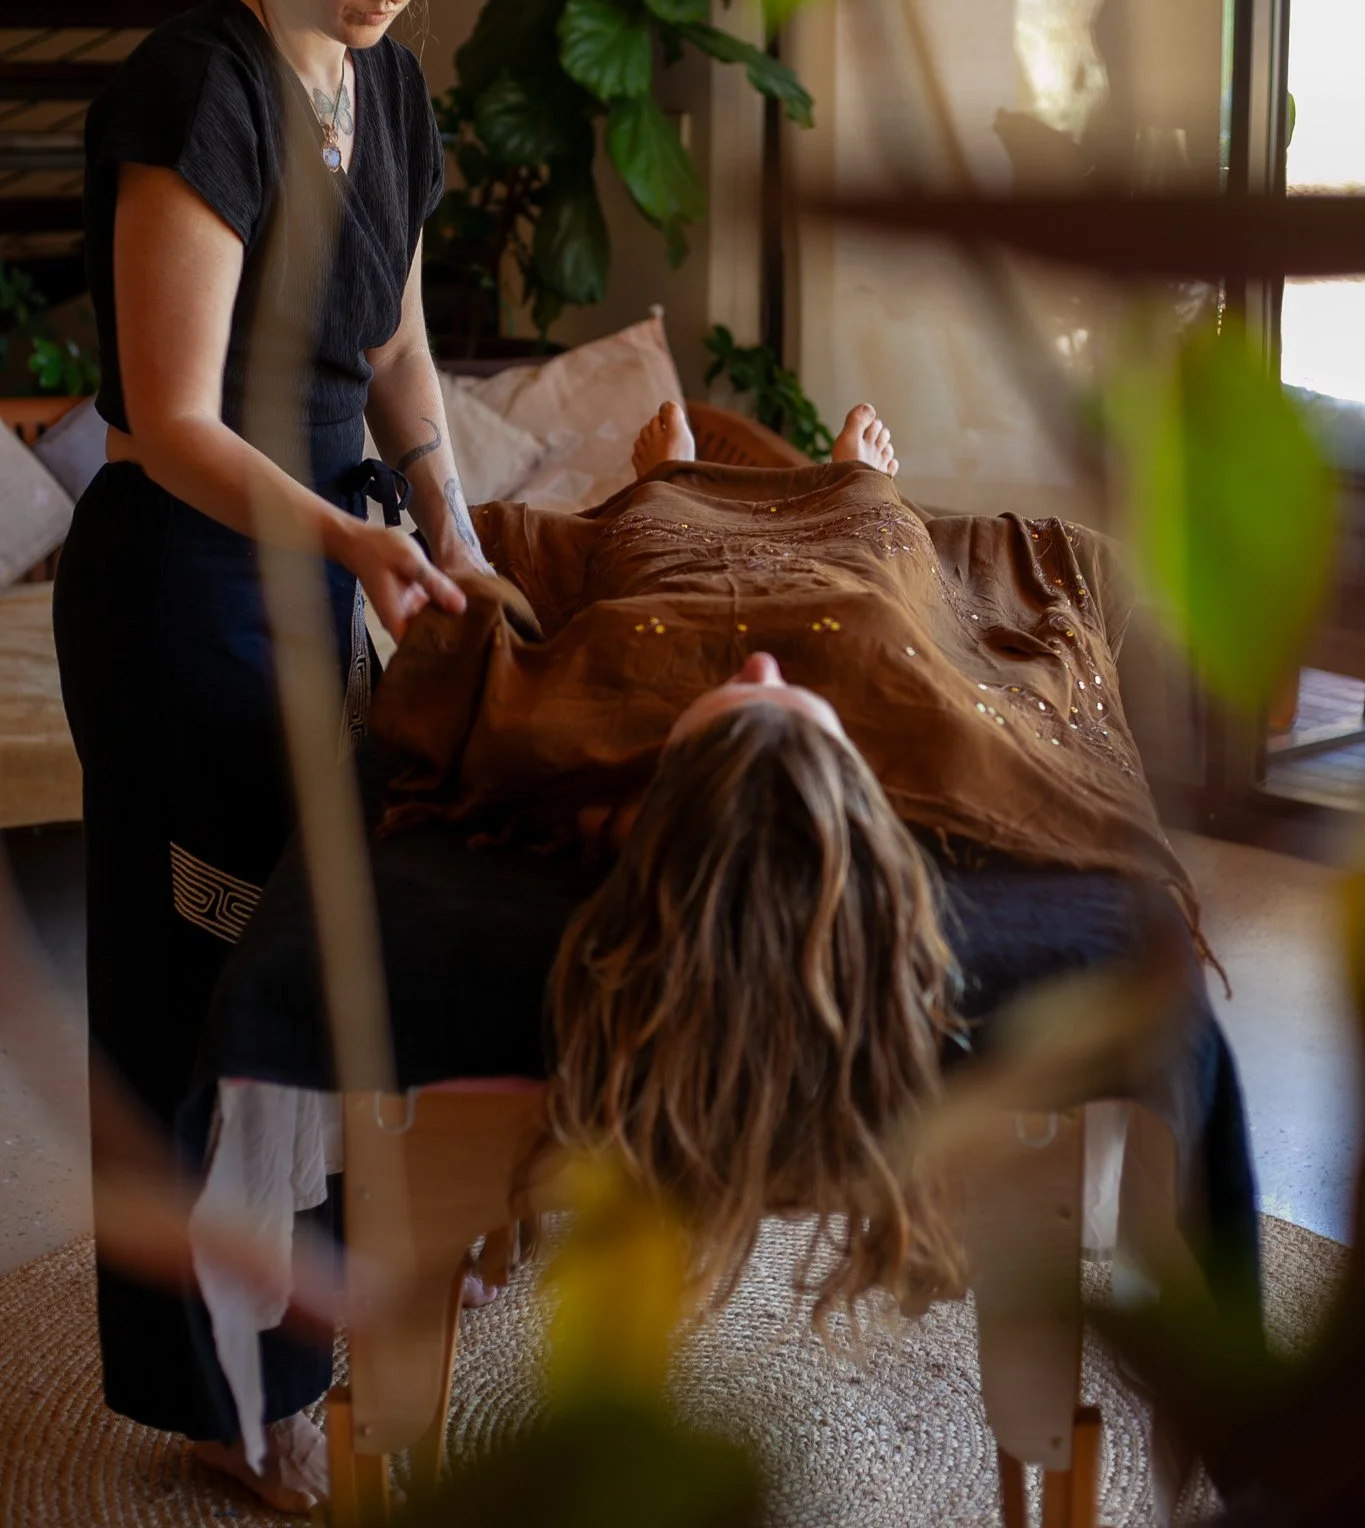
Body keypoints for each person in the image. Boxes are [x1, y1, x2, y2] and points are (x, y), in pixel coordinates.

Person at [372, 400, 1257, 1327]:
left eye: (732, 705)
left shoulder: (613, 795)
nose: (760, 669)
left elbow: (462, 685)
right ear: (854, 785)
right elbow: (1031, 727)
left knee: (645, 578)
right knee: (881, 583)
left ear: (671, 792)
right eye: (785, 705)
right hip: (865, 633)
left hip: (661, 629)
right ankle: (854, 489)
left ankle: (666, 489)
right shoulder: (911, 777)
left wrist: (583, 796)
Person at [53, 0, 490, 1513]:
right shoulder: (196, 92)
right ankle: (236, 1390)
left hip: (322, 573)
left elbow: (387, 344)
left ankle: (315, 1315)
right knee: (213, 989)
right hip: (186, 597)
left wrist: (450, 526)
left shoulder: (384, 92)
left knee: (331, 970)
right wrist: (359, 543)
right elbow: (169, 418)